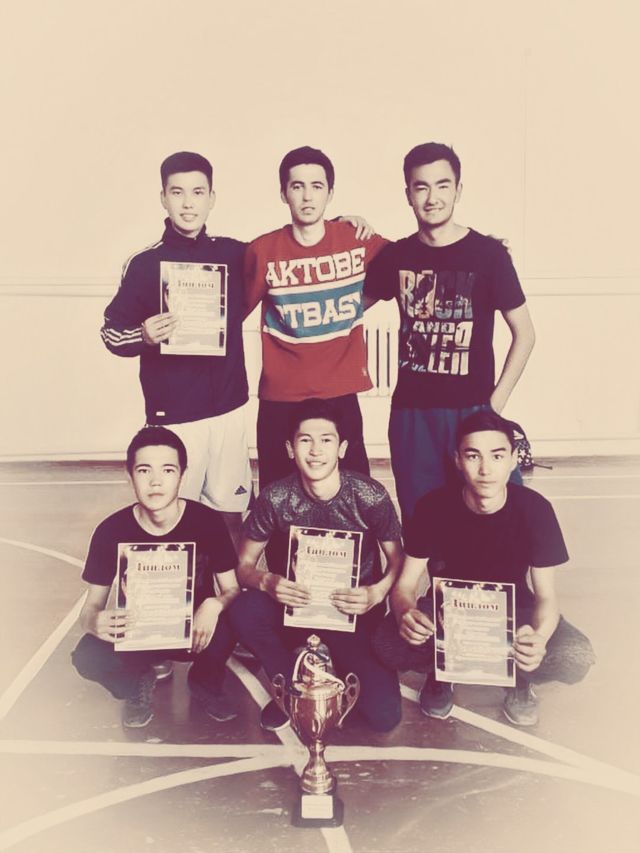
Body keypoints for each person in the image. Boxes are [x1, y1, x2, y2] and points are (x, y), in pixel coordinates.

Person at [373, 410, 595, 726]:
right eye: (473, 456)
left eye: (497, 455)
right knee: (385, 643)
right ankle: (441, 672)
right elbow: (406, 585)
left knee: (575, 655)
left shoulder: (536, 510)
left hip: (515, 615)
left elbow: (547, 597)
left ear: (514, 459)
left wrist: (538, 638)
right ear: (457, 460)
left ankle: (520, 680)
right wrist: (405, 612)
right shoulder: (432, 507)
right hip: (446, 616)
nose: (486, 469)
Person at [364, 142, 536, 523]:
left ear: (458, 190)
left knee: (496, 515)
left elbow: (525, 333)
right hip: (413, 413)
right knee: (422, 520)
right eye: (421, 187)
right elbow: (345, 310)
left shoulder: (489, 255)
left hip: (472, 407)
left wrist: (494, 404)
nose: (432, 197)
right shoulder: (396, 257)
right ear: (408, 194)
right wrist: (340, 230)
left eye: (442, 185)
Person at [101, 151, 252, 543]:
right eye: (177, 192)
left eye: (198, 192)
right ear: (163, 198)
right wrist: (143, 335)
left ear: (212, 198)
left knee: (231, 515)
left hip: (229, 409)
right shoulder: (144, 263)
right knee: (174, 517)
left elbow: (287, 249)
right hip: (175, 416)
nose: (188, 203)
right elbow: (111, 333)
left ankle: (228, 584)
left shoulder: (234, 254)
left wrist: (341, 223)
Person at [228, 399, 403, 733]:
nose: (315, 450)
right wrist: (267, 582)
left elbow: (399, 560)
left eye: (326, 440)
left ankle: (330, 666)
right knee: (244, 609)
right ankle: (289, 683)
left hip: (351, 615)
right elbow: (243, 565)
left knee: (384, 716)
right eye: (305, 440)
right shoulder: (276, 497)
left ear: (342, 448)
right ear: (290, 449)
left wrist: (376, 593)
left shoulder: (369, 495)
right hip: (296, 609)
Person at [71, 427, 240, 728]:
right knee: (87, 656)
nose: (156, 481)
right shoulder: (110, 531)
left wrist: (214, 604)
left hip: (194, 632)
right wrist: (94, 621)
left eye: (168, 470)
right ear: (129, 476)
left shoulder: (207, 522)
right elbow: (89, 609)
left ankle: (204, 681)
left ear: (182, 475)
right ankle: (136, 682)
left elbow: (232, 589)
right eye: (144, 470)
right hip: (137, 633)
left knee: (236, 619)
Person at [244, 145, 388, 490]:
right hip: (281, 395)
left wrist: (485, 249)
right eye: (297, 186)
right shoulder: (263, 250)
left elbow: (412, 259)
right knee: (277, 496)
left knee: (354, 494)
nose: (307, 196)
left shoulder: (355, 239)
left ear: (330, 193)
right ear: (284, 193)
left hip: (340, 391)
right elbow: (229, 313)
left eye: (317, 186)